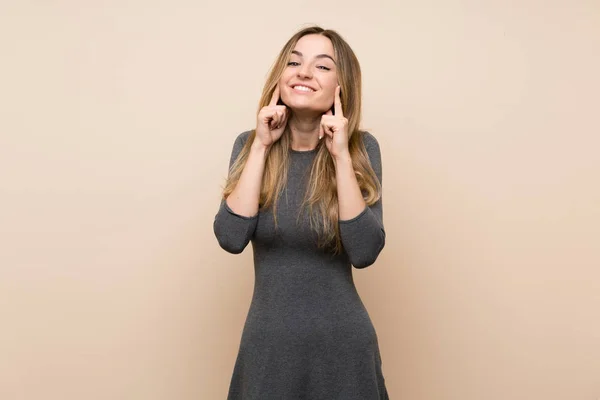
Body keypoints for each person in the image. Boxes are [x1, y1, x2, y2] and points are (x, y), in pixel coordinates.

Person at [213, 25, 388, 400]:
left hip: (344, 354)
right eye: (294, 62)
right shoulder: (249, 144)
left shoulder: (360, 149)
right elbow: (230, 237)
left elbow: (365, 251)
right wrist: (261, 147)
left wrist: (340, 154)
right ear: (281, 75)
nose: (304, 72)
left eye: (322, 66)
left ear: (343, 88)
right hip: (268, 351)